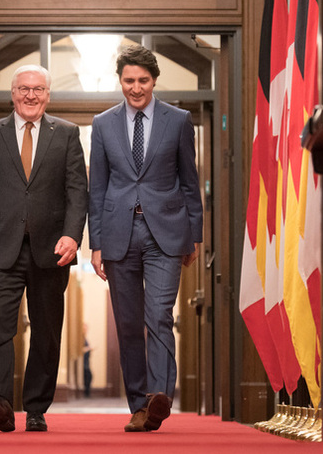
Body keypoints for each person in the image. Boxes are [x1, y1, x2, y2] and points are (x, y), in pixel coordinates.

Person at [0, 64, 88, 433]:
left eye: (38, 89)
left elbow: (78, 192)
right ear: (12, 94)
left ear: (48, 94)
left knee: (47, 330)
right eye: (23, 89)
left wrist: (73, 235)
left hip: (51, 251)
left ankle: (35, 407)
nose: (31, 95)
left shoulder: (66, 134)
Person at [88, 44, 203, 432]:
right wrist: (97, 243)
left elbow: (190, 183)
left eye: (143, 80)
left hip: (165, 235)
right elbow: (97, 188)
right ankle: (139, 405)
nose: (135, 88)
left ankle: (158, 397)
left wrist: (195, 235)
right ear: (120, 81)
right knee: (127, 324)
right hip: (120, 235)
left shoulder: (178, 120)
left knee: (158, 316)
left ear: (154, 80)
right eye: (128, 80)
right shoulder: (103, 124)